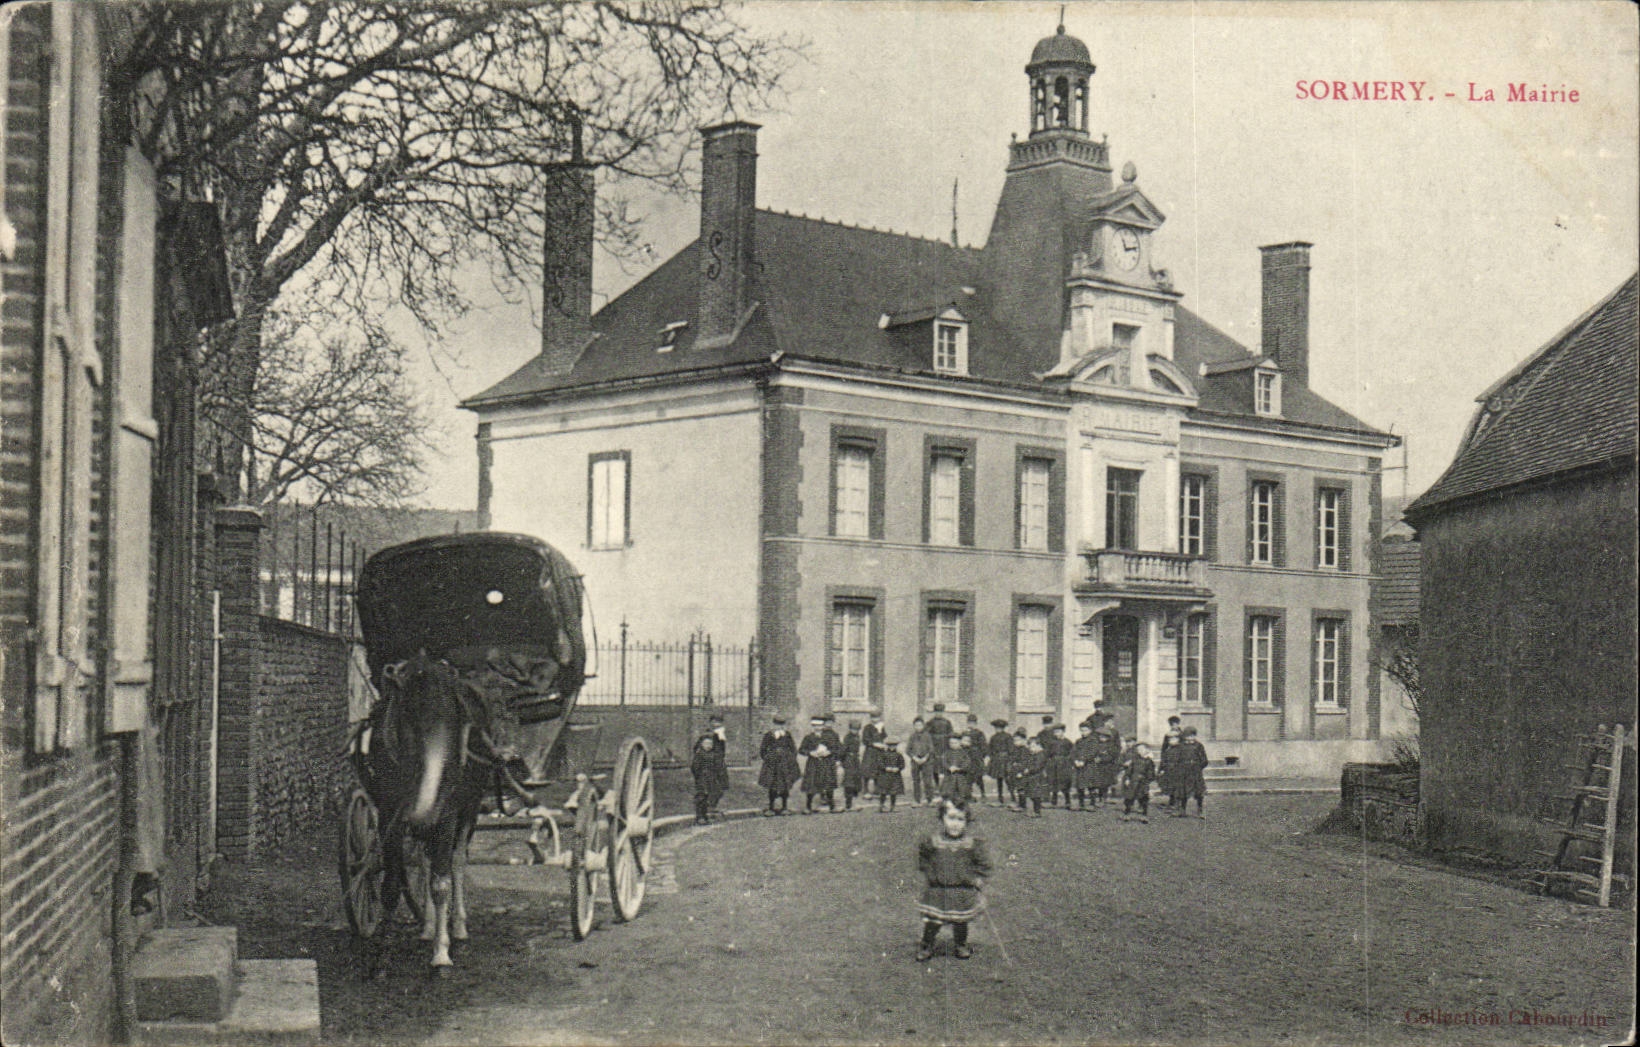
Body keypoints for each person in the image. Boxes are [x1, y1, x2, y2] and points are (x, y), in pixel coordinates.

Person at [914, 798, 991, 961]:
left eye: (960, 819)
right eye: (951, 818)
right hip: (938, 889)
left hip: (961, 889)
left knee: (960, 921)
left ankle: (960, 944)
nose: (955, 824)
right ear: (942, 818)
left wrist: (976, 878)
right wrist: (930, 873)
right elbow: (923, 857)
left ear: (967, 821)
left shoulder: (971, 844)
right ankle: (926, 945)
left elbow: (983, 863)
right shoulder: (933, 841)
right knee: (933, 921)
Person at [757, 716, 801, 816]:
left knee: (785, 785)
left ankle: (784, 807)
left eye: (781, 725)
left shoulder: (787, 735)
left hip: (785, 764)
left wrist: (790, 759)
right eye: (777, 724)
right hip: (773, 765)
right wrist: (768, 758)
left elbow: (793, 748)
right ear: (773, 725)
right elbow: (763, 750)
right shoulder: (769, 735)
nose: (779, 727)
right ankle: (771, 807)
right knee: (772, 785)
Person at [798, 715, 838, 814]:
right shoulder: (808, 737)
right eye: (815, 726)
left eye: (819, 726)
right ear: (812, 726)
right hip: (813, 763)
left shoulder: (828, 737)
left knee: (828, 784)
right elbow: (801, 749)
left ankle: (832, 806)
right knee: (811, 785)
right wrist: (810, 753)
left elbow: (835, 748)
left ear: (823, 726)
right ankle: (808, 806)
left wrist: (828, 752)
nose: (817, 728)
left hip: (826, 763)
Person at [690, 730, 726, 825]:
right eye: (706, 743)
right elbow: (695, 767)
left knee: (710, 796)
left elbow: (718, 766)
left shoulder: (714, 754)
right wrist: (699, 776)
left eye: (710, 744)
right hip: (702, 778)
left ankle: (705, 814)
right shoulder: (699, 754)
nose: (708, 745)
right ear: (701, 744)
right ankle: (700, 816)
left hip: (712, 778)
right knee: (701, 796)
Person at [1174, 725, 1209, 818]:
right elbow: (1177, 759)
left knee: (1199, 791)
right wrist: (1180, 768)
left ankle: (1200, 810)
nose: (1190, 738)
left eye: (1192, 735)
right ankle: (1182, 810)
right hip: (1184, 772)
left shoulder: (1199, 746)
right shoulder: (1181, 746)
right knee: (1183, 791)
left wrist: (1198, 767)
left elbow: (1204, 760)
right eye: (1188, 736)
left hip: (1195, 772)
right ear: (1184, 737)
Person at [1120, 741, 1156, 822]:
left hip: (1143, 782)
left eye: (1142, 749)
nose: (1140, 751)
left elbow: (1151, 773)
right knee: (1129, 798)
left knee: (1143, 799)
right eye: (1138, 749)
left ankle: (1144, 815)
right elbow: (1129, 770)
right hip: (1133, 781)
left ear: (1147, 750)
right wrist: (1128, 778)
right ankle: (1127, 813)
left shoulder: (1149, 761)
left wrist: (1147, 779)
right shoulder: (1134, 760)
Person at [1012, 736, 1047, 817]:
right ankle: (1035, 811)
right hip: (1032, 778)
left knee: (1036, 795)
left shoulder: (1041, 755)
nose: (1031, 749)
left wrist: (1028, 770)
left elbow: (1037, 766)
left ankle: (1037, 812)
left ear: (1039, 746)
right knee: (1032, 795)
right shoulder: (1033, 755)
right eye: (1030, 747)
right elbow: (1028, 763)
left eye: (1033, 746)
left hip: (1038, 778)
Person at [906, 717, 936, 806]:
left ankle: (930, 799)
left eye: (920, 725)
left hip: (926, 761)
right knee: (916, 781)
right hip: (915, 761)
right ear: (914, 726)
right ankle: (917, 800)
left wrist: (925, 758)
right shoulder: (912, 736)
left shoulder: (927, 736)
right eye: (916, 725)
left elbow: (931, 749)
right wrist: (914, 758)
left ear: (923, 726)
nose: (918, 727)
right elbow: (908, 750)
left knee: (928, 781)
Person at [1090, 724, 1122, 807]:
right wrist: (1095, 758)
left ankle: (1104, 798)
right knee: (1098, 784)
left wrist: (1102, 759)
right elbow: (1093, 753)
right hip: (1098, 768)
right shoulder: (1096, 745)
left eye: (1104, 737)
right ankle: (1099, 798)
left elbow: (1112, 756)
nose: (1102, 738)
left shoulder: (1111, 746)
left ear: (1108, 738)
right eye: (1100, 736)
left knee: (1105, 784)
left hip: (1107, 768)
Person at [1071, 721, 1100, 811]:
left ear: (1090, 730)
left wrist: (1084, 760)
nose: (1083, 732)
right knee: (1080, 785)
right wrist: (1075, 760)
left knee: (1091, 785)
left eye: (1085, 730)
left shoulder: (1094, 740)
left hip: (1089, 765)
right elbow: (1073, 752)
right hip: (1079, 766)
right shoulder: (1078, 741)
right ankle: (1081, 804)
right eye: (1082, 730)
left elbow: (1093, 752)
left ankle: (1092, 804)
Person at [986, 719, 1014, 807]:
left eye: (999, 728)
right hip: (997, 760)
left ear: (1003, 728)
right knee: (999, 779)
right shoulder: (993, 737)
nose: (997, 729)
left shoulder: (1008, 737)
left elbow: (1011, 749)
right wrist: (992, 757)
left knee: (1007, 779)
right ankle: (1000, 797)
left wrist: (1010, 760)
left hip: (1005, 760)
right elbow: (990, 748)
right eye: (996, 728)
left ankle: (1013, 796)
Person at [1046, 723, 1075, 808]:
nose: (1056, 734)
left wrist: (1069, 762)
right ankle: (1054, 802)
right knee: (1054, 782)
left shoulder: (1068, 742)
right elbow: (1048, 753)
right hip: (1054, 764)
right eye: (1055, 732)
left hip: (1064, 764)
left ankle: (1068, 801)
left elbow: (1072, 753)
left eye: (1058, 732)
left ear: (1063, 732)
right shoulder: (1052, 742)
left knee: (1065, 782)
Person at [860, 712, 886, 799]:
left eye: (877, 718)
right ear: (871, 719)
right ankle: (866, 789)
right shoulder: (867, 727)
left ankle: (877, 789)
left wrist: (881, 732)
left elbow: (884, 737)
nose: (875, 720)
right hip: (870, 752)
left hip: (879, 752)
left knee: (878, 770)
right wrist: (875, 744)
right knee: (867, 770)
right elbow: (865, 740)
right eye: (873, 718)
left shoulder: (881, 727)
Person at [840, 720, 864, 811]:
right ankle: (848, 804)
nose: (855, 731)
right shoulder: (848, 737)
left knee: (856, 780)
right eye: (853, 729)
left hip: (856, 760)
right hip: (849, 760)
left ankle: (855, 801)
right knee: (849, 782)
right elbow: (843, 750)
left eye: (857, 729)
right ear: (850, 729)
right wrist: (843, 761)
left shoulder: (857, 737)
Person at [875, 738, 906, 812]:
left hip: (895, 776)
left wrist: (898, 768)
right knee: (883, 792)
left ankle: (893, 806)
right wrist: (885, 768)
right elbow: (879, 763)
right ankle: (881, 806)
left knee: (894, 792)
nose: (892, 747)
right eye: (890, 745)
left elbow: (902, 764)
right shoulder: (883, 754)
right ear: (887, 746)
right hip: (885, 775)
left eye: (894, 745)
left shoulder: (898, 755)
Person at [939, 735, 972, 802]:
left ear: (959, 743)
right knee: (947, 789)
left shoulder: (963, 753)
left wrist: (959, 768)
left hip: (961, 775)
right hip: (949, 775)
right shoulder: (947, 753)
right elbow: (944, 761)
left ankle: (961, 800)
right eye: (951, 743)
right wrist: (949, 767)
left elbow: (967, 762)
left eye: (955, 743)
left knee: (961, 790)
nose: (953, 745)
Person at [1159, 715, 1183, 807]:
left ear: (1178, 724)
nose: (1174, 726)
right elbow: (1164, 748)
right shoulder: (1168, 735)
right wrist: (1163, 760)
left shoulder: (1182, 734)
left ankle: (1178, 801)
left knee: (1179, 782)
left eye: (1176, 724)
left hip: (1178, 760)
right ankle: (1172, 800)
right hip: (1170, 760)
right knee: (1170, 781)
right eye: (1172, 724)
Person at [963, 714, 988, 801]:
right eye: (969, 723)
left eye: (973, 723)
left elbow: (984, 746)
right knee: (967, 777)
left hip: (976, 758)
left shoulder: (979, 733)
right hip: (967, 757)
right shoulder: (964, 733)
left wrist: (981, 756)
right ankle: (968, 794)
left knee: (979, 777)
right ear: (967, 723)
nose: (971, 725)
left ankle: (983, 793)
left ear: (976, 724)